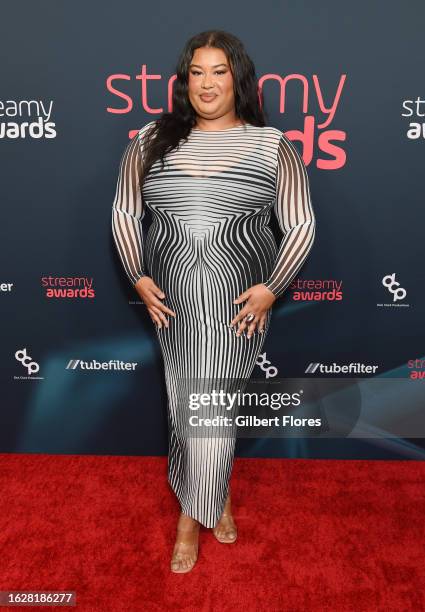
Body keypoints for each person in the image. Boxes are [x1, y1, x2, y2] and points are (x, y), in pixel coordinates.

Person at [111, 29, 316, 573]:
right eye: (197, 72)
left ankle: (187, 516)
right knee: (186, 401)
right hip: (174, 301)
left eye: (219, 71)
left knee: (211, 402)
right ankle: (214, 495)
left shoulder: (271, 146)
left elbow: (299, 225)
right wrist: (136, 273)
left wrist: (272, 289)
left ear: (238, 79)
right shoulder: (153, 139)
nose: (207, 83)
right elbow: (126, 210)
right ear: (185, 82)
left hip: (235, 307)